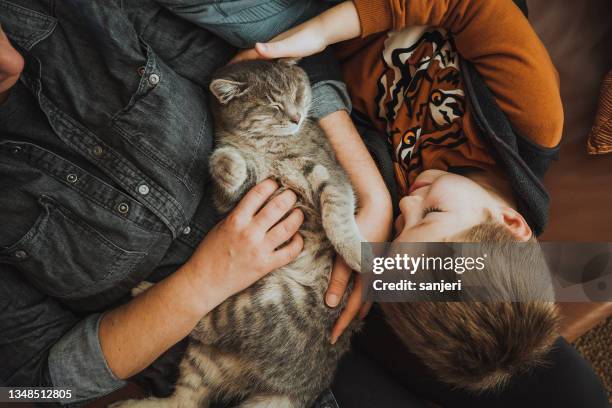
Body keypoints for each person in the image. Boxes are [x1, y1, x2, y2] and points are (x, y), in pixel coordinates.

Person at [0, 1, 392, 406]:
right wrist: (200, 285)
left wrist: (375, 198)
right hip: (226, 371)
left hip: (367, 248)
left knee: (455, 274)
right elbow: (34, 389)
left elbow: (288, 43)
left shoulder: (75, 13)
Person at [234, 0, 611, 406]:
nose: (407, 206)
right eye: (431, 214)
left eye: (399, 230)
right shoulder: (532, 117)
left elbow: (322, 107)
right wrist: (323, 31)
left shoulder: (406, 199)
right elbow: (469, 7)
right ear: (512, 223)